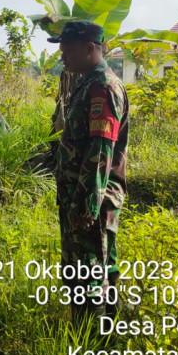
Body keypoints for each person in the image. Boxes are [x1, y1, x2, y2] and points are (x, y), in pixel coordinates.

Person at [47, 20, 128, 327]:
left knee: (88, 273)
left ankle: (92, 345)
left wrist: (86, 204)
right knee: (94, 268)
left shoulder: (102, 88)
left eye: (67, 49)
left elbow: (99, 151)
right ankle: (105, 339)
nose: (63, 55)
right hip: (79, 197)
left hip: (91, 199)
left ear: (90, 49)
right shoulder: (87, 83)